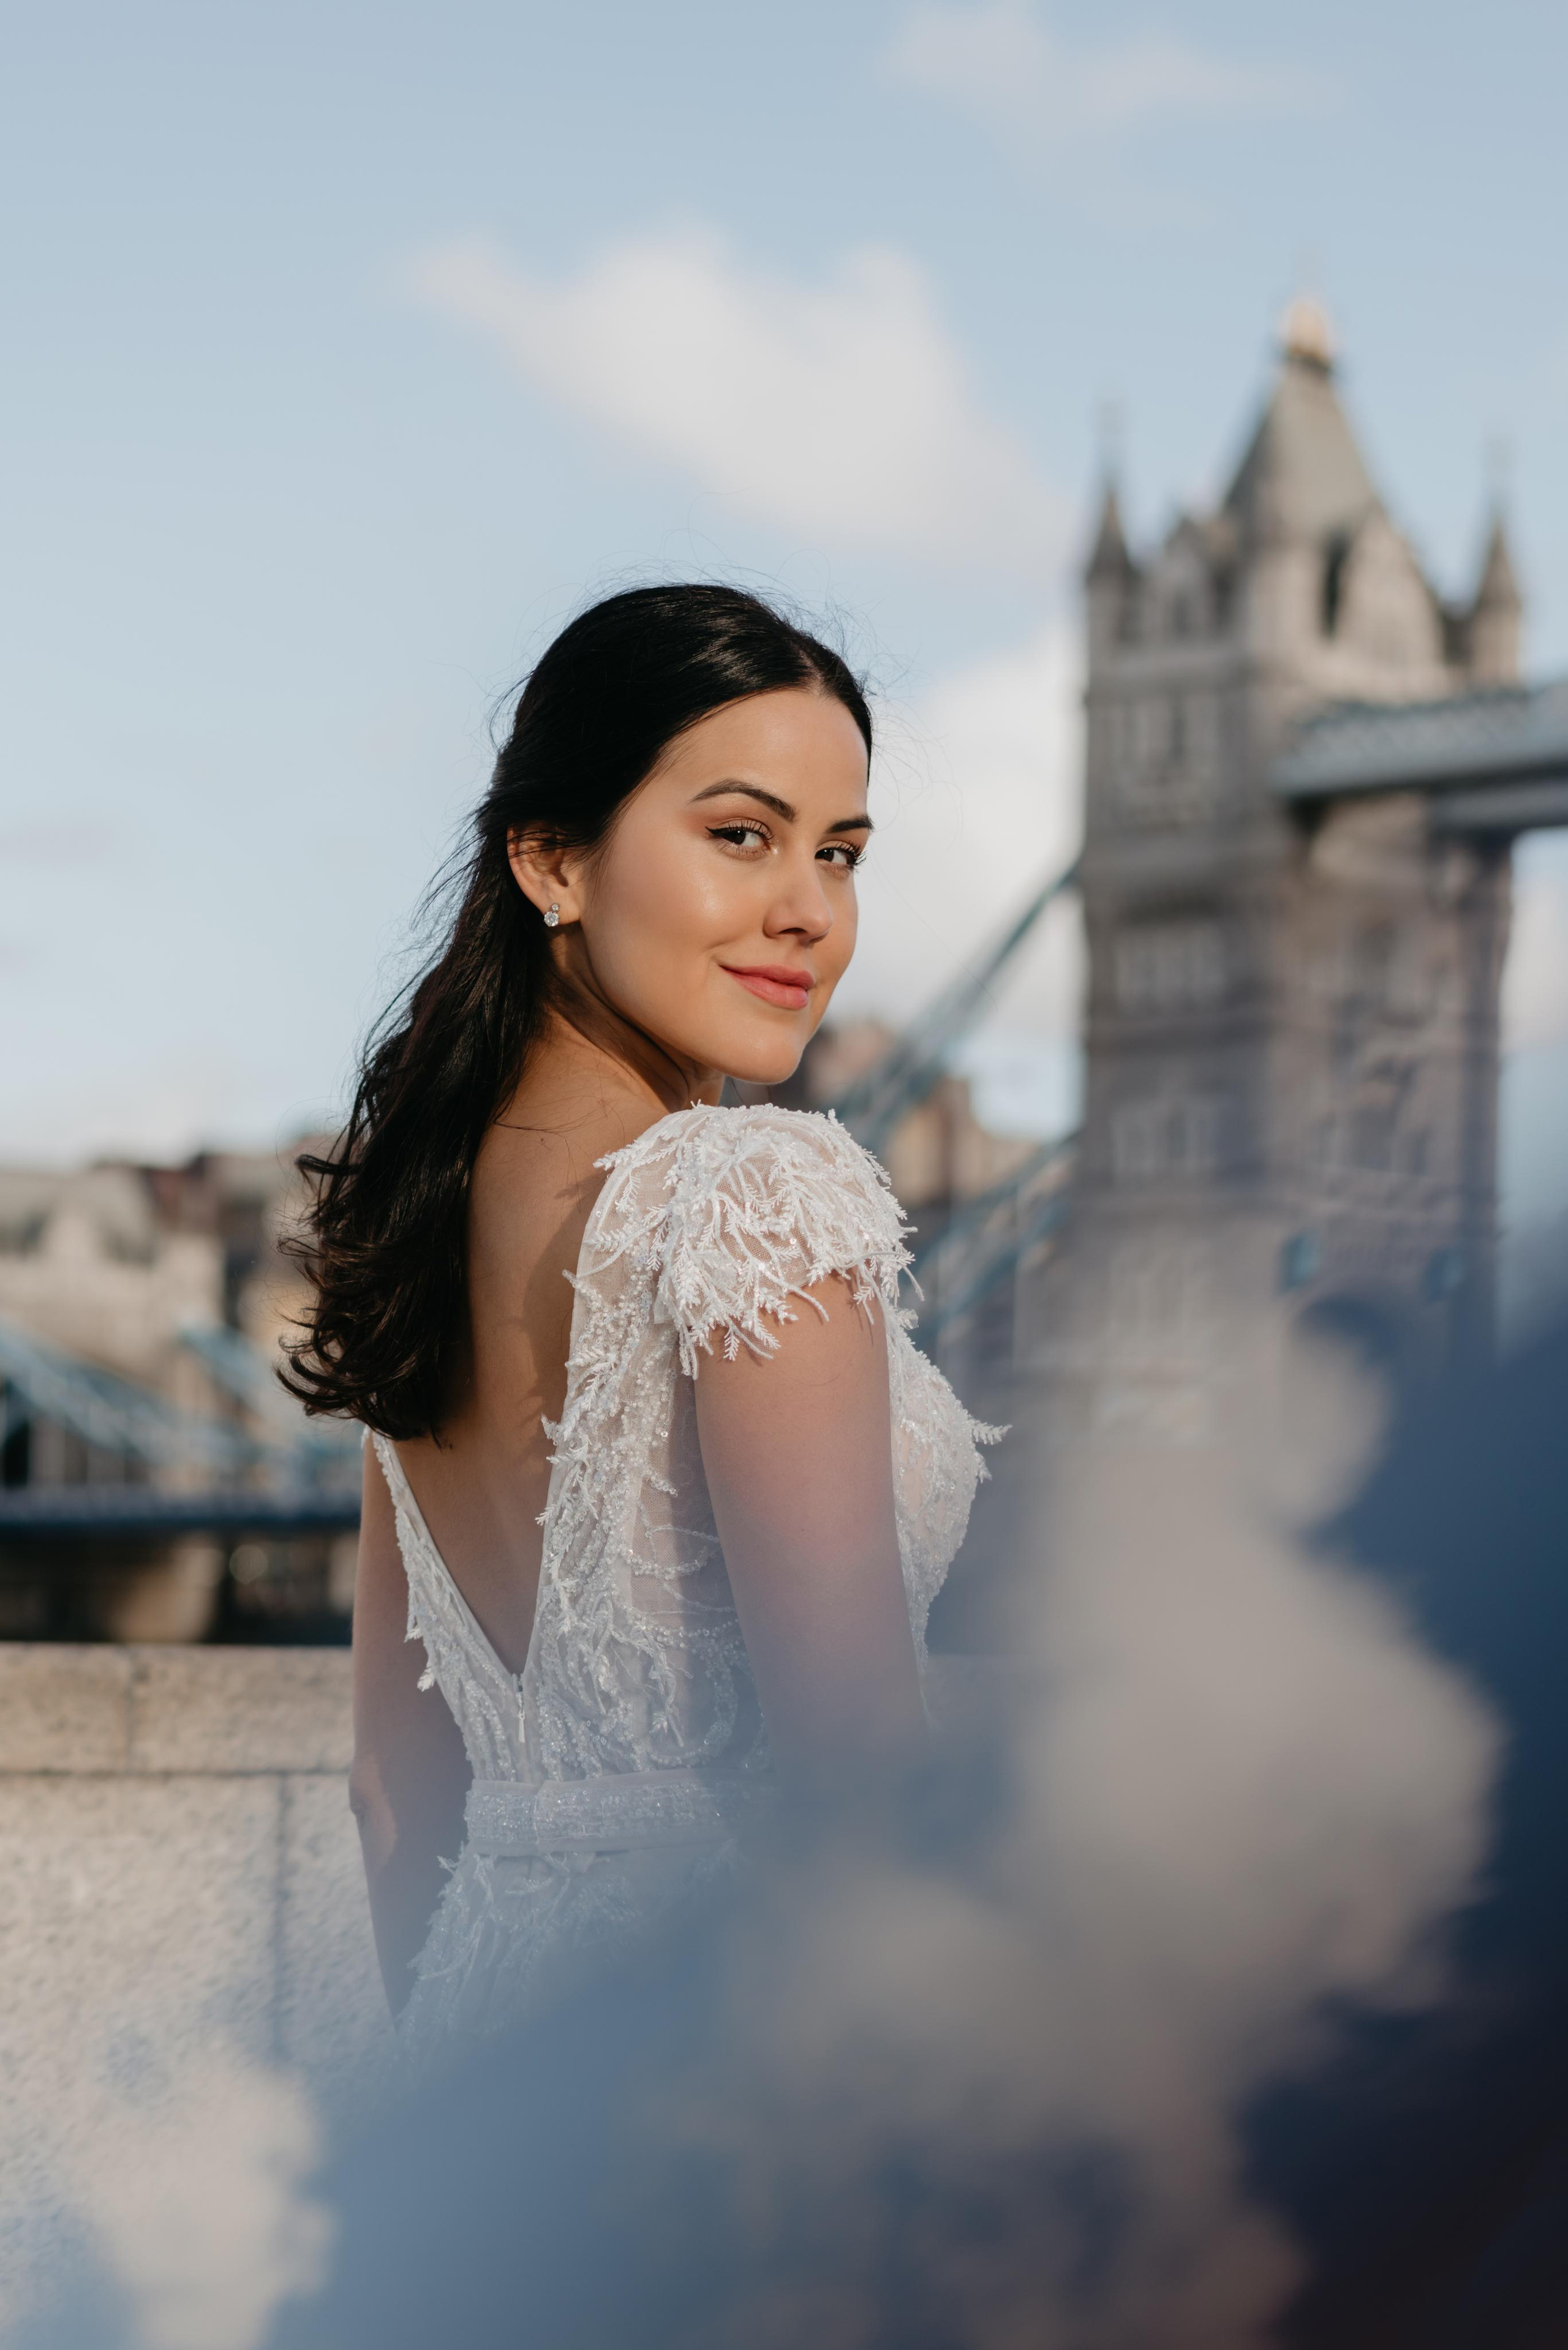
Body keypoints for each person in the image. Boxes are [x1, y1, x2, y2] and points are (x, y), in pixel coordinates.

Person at [283, 585, 995, 2059]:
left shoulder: (408, 1244)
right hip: (729, 2071)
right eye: (742, 834)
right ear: (551, 859)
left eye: (840, 852)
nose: (809, 907)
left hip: (486, 2076)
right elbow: (857, 1781)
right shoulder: (756, 1192)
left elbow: (389, 1791)